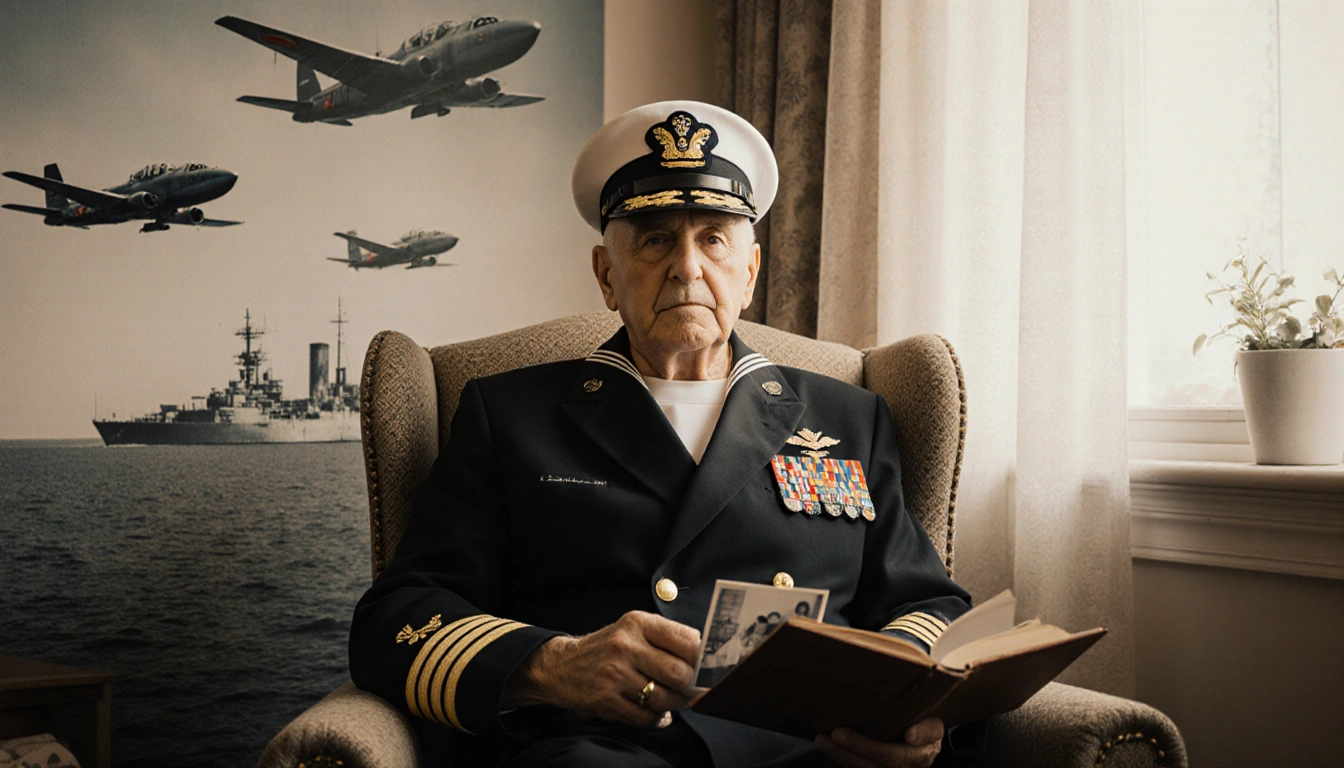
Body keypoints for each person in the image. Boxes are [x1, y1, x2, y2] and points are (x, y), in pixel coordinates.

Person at [348, 101, 976, 767]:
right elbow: (395, 621)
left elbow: (929, 603)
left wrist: (904, 704)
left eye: (713, 238)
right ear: (605, 274)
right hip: (606, 752)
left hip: (814, 754)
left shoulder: (849, 417)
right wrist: (552, 664)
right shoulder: (508, 416)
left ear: (750, 271)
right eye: (653, 239)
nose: (686, 266)